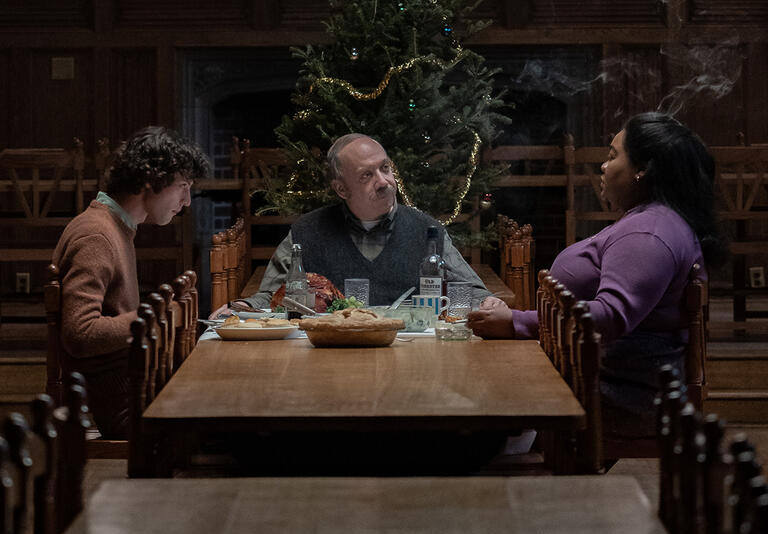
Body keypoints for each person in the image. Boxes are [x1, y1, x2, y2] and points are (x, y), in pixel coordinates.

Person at [468, 112, 726, 437]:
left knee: (469, 392)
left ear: (642, 170)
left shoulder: (648, 232)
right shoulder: (651, 221)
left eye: (613, 156)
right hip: (597, 373)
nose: (604, 166)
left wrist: (516, 322)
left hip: (616, 390)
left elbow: (610, 316)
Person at [211, 133, 490, 317]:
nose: (383, 181)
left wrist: (488, 304)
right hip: (329, 358)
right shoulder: (307, 232)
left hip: (410, 354)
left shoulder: (426, 230)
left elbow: (473, 291)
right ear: (341, 189)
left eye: (385, 168)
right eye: (367, 175)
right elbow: (271, 296)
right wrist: (242, 307)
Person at [52, 126, 209, 439]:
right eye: (182, 186)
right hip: (121, 409)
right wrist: (155, 317)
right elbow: (79, 333)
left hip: (134, 388)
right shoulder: (96, 235)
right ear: (151, 181)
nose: (187, 200)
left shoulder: (116, 228)